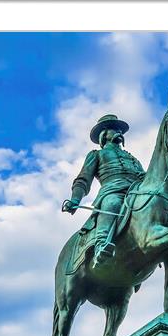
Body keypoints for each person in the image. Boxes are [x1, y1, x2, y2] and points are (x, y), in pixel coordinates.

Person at [62, 114, 145, 267]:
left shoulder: (133, 158)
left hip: (137, 191)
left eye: (119, 129)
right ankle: (101, 244)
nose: (118, 132)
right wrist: (75, 199)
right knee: (112, 202)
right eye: (114, 129)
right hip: (113, 190)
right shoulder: (97, 155)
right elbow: (83, 179)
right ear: (104, 135)